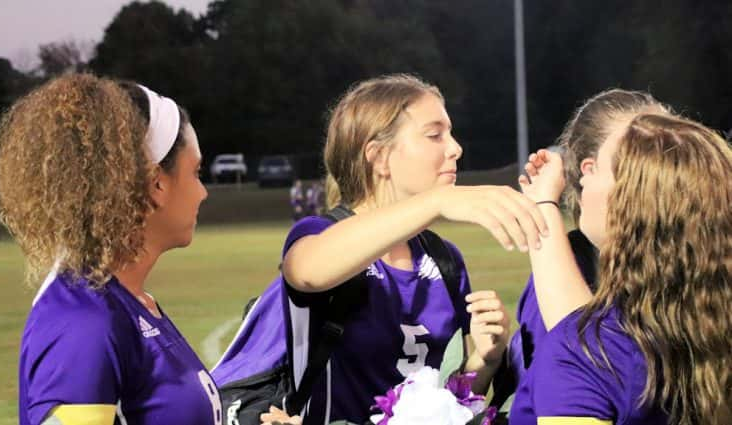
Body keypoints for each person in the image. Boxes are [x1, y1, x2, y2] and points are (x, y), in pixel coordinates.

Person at [262, 74, 549, 425]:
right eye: (435, 135)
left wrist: (483, 362)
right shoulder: (321, 235)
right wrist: (438, 201)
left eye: (450, 133)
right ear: (379, 157)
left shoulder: (444, 260)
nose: (455, 148)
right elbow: (307, 271)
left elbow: (446, 405)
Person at [0, 74, 221, 424]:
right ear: (156, 184)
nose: (203, 192)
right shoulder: (83, 323)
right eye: (196, 172)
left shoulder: (131, 303)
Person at [511, 114, 731, 424]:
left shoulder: (584, 351)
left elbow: (591, 358)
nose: (582, 177)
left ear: (633, 206)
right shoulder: (710, 324)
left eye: (595, 167)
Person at [493, 90, 673, 403]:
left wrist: (545, 207)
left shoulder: (698, 257)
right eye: (634, 154)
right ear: (589, 171)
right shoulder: (570, 262)